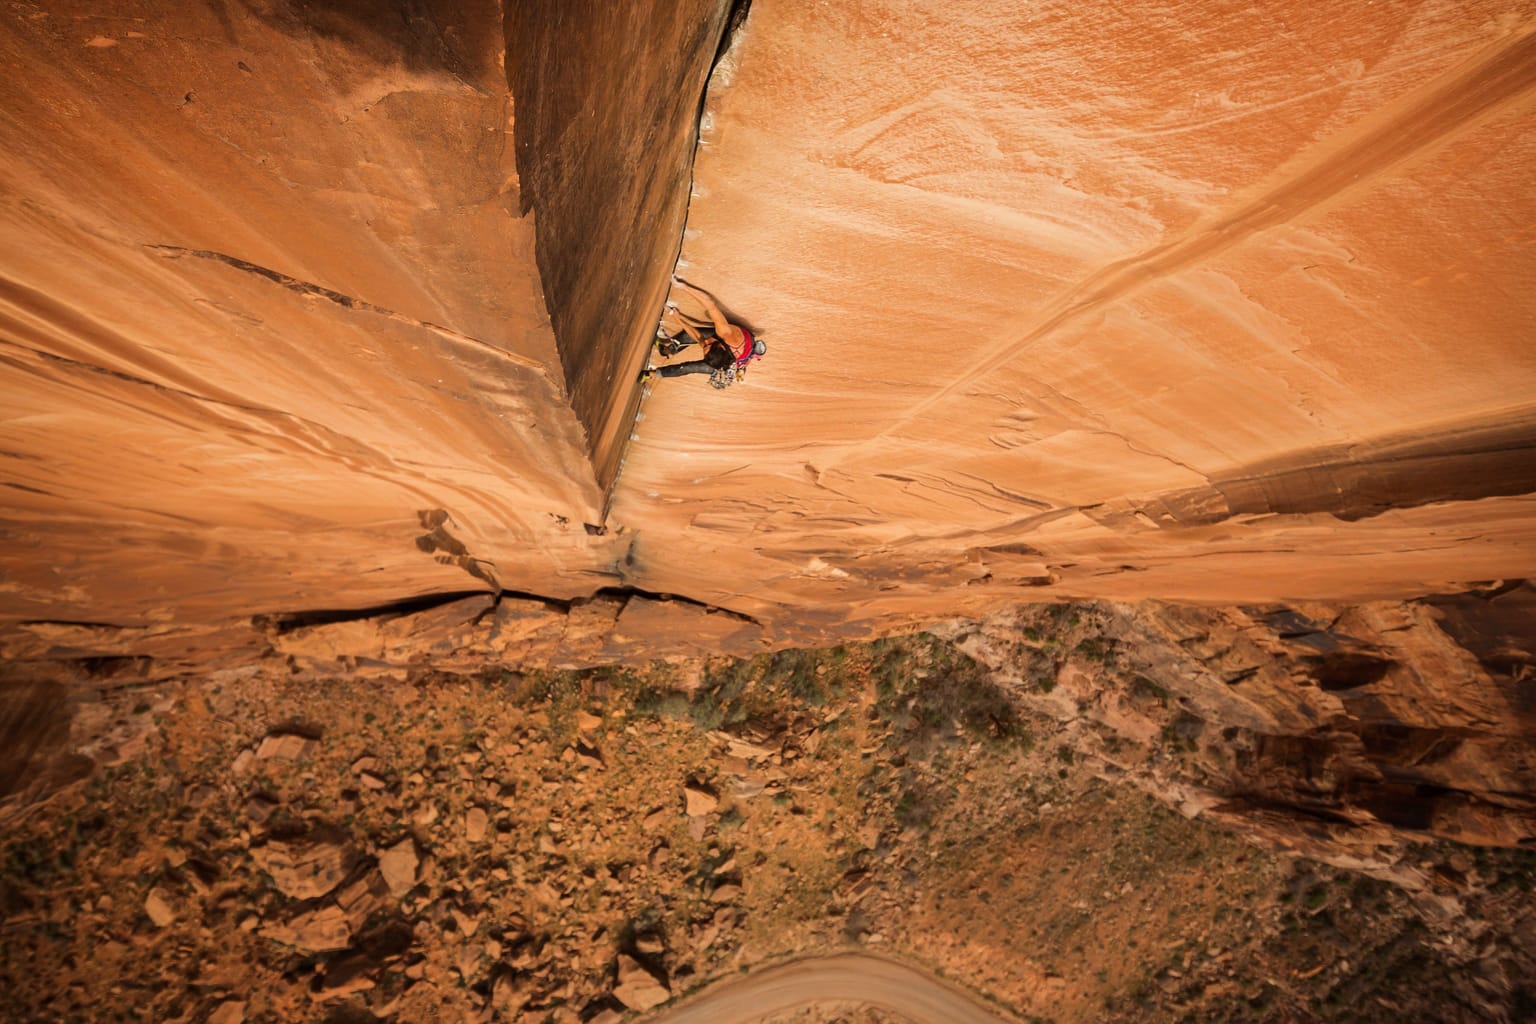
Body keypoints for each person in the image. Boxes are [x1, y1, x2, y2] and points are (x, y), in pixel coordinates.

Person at [645, 280, 765, 388]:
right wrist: (683, 286)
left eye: (705, 346)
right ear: (720, 346)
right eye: (707, 344)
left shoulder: (713, 351)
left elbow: (699, 339)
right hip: (736, 343)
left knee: (688, 367)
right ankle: (668, 351)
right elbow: (711, 306)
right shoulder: (725, 332)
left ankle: (653, 373)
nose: (705, 341)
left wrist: (677, 317)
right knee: (688, 336)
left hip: (730, 361)